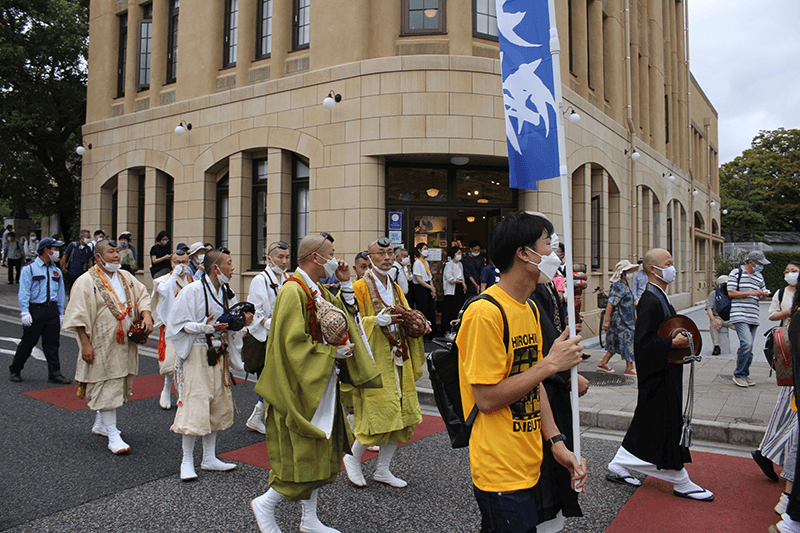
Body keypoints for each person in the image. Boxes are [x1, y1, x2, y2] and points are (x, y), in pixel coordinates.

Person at [457, 212, 586, 532]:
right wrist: (550, 364)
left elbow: (533, 382)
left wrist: (556, 442)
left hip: (530, 460)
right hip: (500, 470)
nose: (555, 255)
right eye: (549, 245)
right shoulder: (485, 312)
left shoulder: (527, 306)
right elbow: (485, 398)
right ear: (524, 254)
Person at [250, 232, 381, 533]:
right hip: (299, 388)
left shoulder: (316, 288)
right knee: (302, 452)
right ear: (315, 257)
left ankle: (309, 520)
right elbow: (291, 345)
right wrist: (331, 353)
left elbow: (343, 317)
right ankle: (266, 503)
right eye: (331, 254)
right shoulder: (292, 291)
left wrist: (347, 283)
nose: (336, 259)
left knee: (321, 450)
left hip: (319, 383)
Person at [606, 248, 714, 501]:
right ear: (654, 269)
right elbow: (642, 343)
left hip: (664, 373)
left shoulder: (659, 296)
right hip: (658, 376)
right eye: (669, 264)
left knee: (648, 422)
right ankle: (679, 478)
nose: (673, 268)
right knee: (663, 424)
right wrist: (671, 345)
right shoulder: (650, 300)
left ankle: (619, 463)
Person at [343, 237, 428, 489]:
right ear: (369, 258)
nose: (388, 257)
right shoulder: (359, 287)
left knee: (402, 414)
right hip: (375, 358)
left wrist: (419, 322)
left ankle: (382, 469)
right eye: (381, 253)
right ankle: (352, 458)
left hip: (398, 354)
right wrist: (372, 322)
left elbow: (406, 313)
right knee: (378, 412)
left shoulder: (396, 287)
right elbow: (348, 321)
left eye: (391, 252)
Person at [167, 248, 252, 480]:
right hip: (197, 352)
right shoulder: (192, 290)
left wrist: (241, 320)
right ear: (216, 268)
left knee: (216, 403)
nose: (233, 268)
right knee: (195, 404)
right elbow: (177, 324)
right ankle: (186, 461)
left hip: (219, 353)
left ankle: (209, 457)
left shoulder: (226, 292)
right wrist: (206, 328)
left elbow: (233, 321)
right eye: (229, 264)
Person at [62, 239, 153, 454]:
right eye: (111, 252)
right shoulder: (85, 281)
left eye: (117, 252)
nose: (116, 256)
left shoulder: (126, 277)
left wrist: (147, 315)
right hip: (101, 342)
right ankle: (112, 433)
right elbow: (77, 316)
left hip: (123, 341)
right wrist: (85, 344)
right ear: (98, 257)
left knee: (117, 381)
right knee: (106, 383)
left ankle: (100, 424)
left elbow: (143, 295)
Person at [754, 262, 800, 514]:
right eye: (788, 269)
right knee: (788, 409)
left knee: (789, 411)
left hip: (793, 353)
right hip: (787, 355)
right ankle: (768, 453)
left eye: (794, 269)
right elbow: (772, 316)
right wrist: (789, 311)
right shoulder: (783, 294)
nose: (790, 273)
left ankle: (767, 452)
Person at [243, 241, 291, 434]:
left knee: (276, 379)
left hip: (280, 336)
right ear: (269, 258)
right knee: (269, 379)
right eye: (280, 257)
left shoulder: (287, 278)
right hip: (265, 339)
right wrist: (273, 324)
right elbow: (256, 311)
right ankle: (259, 417)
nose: (284, 261)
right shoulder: (260, 280)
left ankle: (259, 416)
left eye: (287, 257)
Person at [9, 237, 70, 384]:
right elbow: (24, 292)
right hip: (36, 309)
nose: (58, 252)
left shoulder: (56, 271)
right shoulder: (29, 269)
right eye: (55, 249)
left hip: (52, 310)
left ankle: (54, 373)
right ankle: (15, 369)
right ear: (46, 250)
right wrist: (25, 311)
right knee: (28, 342)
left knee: (52, 343)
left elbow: (60, 294)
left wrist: (61, 313)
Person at [151, 250, 193, 410]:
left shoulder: (192, 280)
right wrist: (174, 275)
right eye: (178, 262)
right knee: (170, 360)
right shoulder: (164, 280)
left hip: (188, 326)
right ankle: (167, 388)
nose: (182, 266)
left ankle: (183, 393)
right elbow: (163, 292)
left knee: (187, 360)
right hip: (170, 326)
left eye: (185, 262)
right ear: (171, 263)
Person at [729, 250, 771, 388]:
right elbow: (731, 292)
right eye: (759, 264)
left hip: (753, 315)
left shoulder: (759, 276)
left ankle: (744, 374)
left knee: (749, 346)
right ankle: (739, 374)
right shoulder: (736, 273)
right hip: (739, 313)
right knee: (746, 343)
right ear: (751, 262)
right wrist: (751, 292)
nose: (761, 267)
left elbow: (763, 292)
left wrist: (763, 294)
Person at [597, 260, 640, 376]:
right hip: (620, 320)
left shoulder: (625, 285)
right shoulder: (618, 286)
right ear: (623, 272)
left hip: (627, 319)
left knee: (615, 342)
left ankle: (603, 362)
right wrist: (606, 321)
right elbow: (610, 304)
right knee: (627, 341)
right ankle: (629, 367)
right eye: (628, 271)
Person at [705, 275, 733, 355]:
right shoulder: (713, 294)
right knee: (713, 327)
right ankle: (716, 346)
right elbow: (709, 308)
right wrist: (713, 320)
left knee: (741, 326)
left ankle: (744, 346)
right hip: (718, 317)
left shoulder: (731, 294)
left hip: (731, 318)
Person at [442, 246, 467, 333]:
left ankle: (457, 330)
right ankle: (447, 330)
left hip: (459, 289)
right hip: (451, 290)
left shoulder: (460, 264)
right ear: (453, 254)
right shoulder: (448, 265)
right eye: (458, 253)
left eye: (460, 253)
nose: (460, 255)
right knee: (450, 311)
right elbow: (450, 278)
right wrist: (461, 282)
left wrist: (463, 284)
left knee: (459, 309)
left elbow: (462, 275)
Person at [61, 230, 95, 295]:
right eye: (87, 237)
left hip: (83, 273)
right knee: (72, 289)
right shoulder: (73, 245)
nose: (89, 239)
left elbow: (90, 260)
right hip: (72, 272)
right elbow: (65, 255)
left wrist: (91, 269)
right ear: (82, 238)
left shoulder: (88, 248)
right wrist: (63, 267)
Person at [412, 243, 436, 336]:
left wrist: (432, 288)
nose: (427, 250)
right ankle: (423, 332)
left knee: (431, 310)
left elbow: (429, 276)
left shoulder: (425, 262)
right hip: (421, 288)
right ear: (419, 250)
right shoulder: (417, 263)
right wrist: (430, 287)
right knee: (423, 310)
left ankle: (431, 332)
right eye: (425, 248)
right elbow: (419, 279)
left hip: (428, 287)